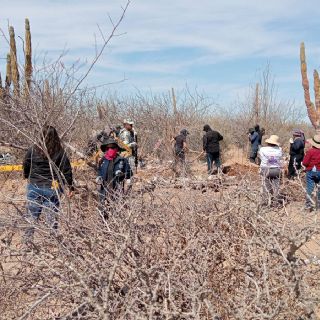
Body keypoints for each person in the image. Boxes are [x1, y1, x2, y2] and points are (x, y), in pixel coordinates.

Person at [23, 125, 74, 245]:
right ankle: (54, 243)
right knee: (51, 218)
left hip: (34, 186)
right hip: (52, 188)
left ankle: (27, 243)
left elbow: (26, 164)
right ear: (56, 136)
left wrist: (26, 175)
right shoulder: (60, 152)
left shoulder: (33, 149)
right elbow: (67, 170)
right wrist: (70, 187)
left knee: (31, 215)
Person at [96, 137, 132, 218]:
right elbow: (99, 171)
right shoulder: (102, 160)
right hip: (104, 190)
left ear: (116, 148)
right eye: (108, 148)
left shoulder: (122, 160)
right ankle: (104, 227)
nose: (110, 149)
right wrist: (98, 177)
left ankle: (115, 227)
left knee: (116, 211)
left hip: (116, 190)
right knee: (103, 211)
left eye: (112, 147)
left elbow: (129, 174)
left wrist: (122, 174)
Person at [258, 135, 283, 206]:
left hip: (266, 169)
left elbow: (260, 157)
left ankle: (266, 202)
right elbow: (280, 157)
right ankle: (276, 202)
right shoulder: (279, 149)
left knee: (266, 186)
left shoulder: (263, 149)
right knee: (276, 186)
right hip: (276, 169)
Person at [302, 134, 320, 210]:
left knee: (310, 187)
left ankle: (309, 205)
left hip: (311, 171)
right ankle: (318, 204)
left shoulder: (310, 152)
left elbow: (305, 163)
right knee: (318, 187)